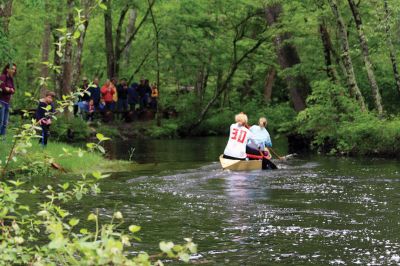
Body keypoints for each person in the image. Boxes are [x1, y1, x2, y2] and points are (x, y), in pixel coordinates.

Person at [0, 63, 16, 140]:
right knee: (1, 120)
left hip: (7, 102)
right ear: (7, 69)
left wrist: (9, 89)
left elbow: (14, 90)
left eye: (14, 69)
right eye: (12, 68)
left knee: (5, 122)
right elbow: (2, 87)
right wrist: (9, 89)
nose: (13, 70)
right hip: (1, 101)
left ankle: (3, 138)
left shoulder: (11, 79)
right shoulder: (2, 77)